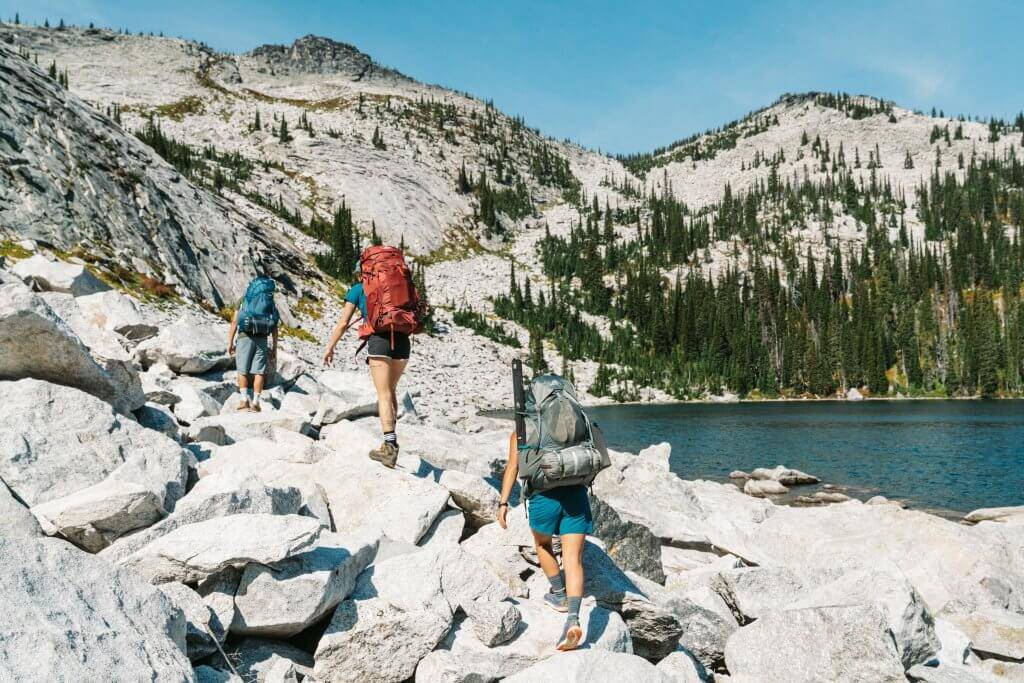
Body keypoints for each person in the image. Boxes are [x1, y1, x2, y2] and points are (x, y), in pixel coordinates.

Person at [497, 430, 592, 652]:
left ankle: (559, 595)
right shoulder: (571, 425)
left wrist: (503, 503)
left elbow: (513, 467)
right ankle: (574, 619)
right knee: (573, 559)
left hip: (543, 497)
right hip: (576, 495)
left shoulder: (521, 431)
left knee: (542, 545)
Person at [322, 263, 411, 468]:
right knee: (391, 390)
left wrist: (330, 347)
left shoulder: (358, 289)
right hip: (403, 340)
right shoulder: (396, 286)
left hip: (380, 340)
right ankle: (389, 440)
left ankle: (389, 447)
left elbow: (344, 323)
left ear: (362, 273)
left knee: (383, 394)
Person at [227, 275, 279, 412]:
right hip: (262, 339)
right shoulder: (270, 302)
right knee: (259, 371)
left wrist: (230, 342)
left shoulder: (244, 300)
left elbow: (234, 322)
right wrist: (274, 348)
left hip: (244, 337)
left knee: (242, 370)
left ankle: (244, 400)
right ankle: (256, 402)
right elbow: (274, 326)